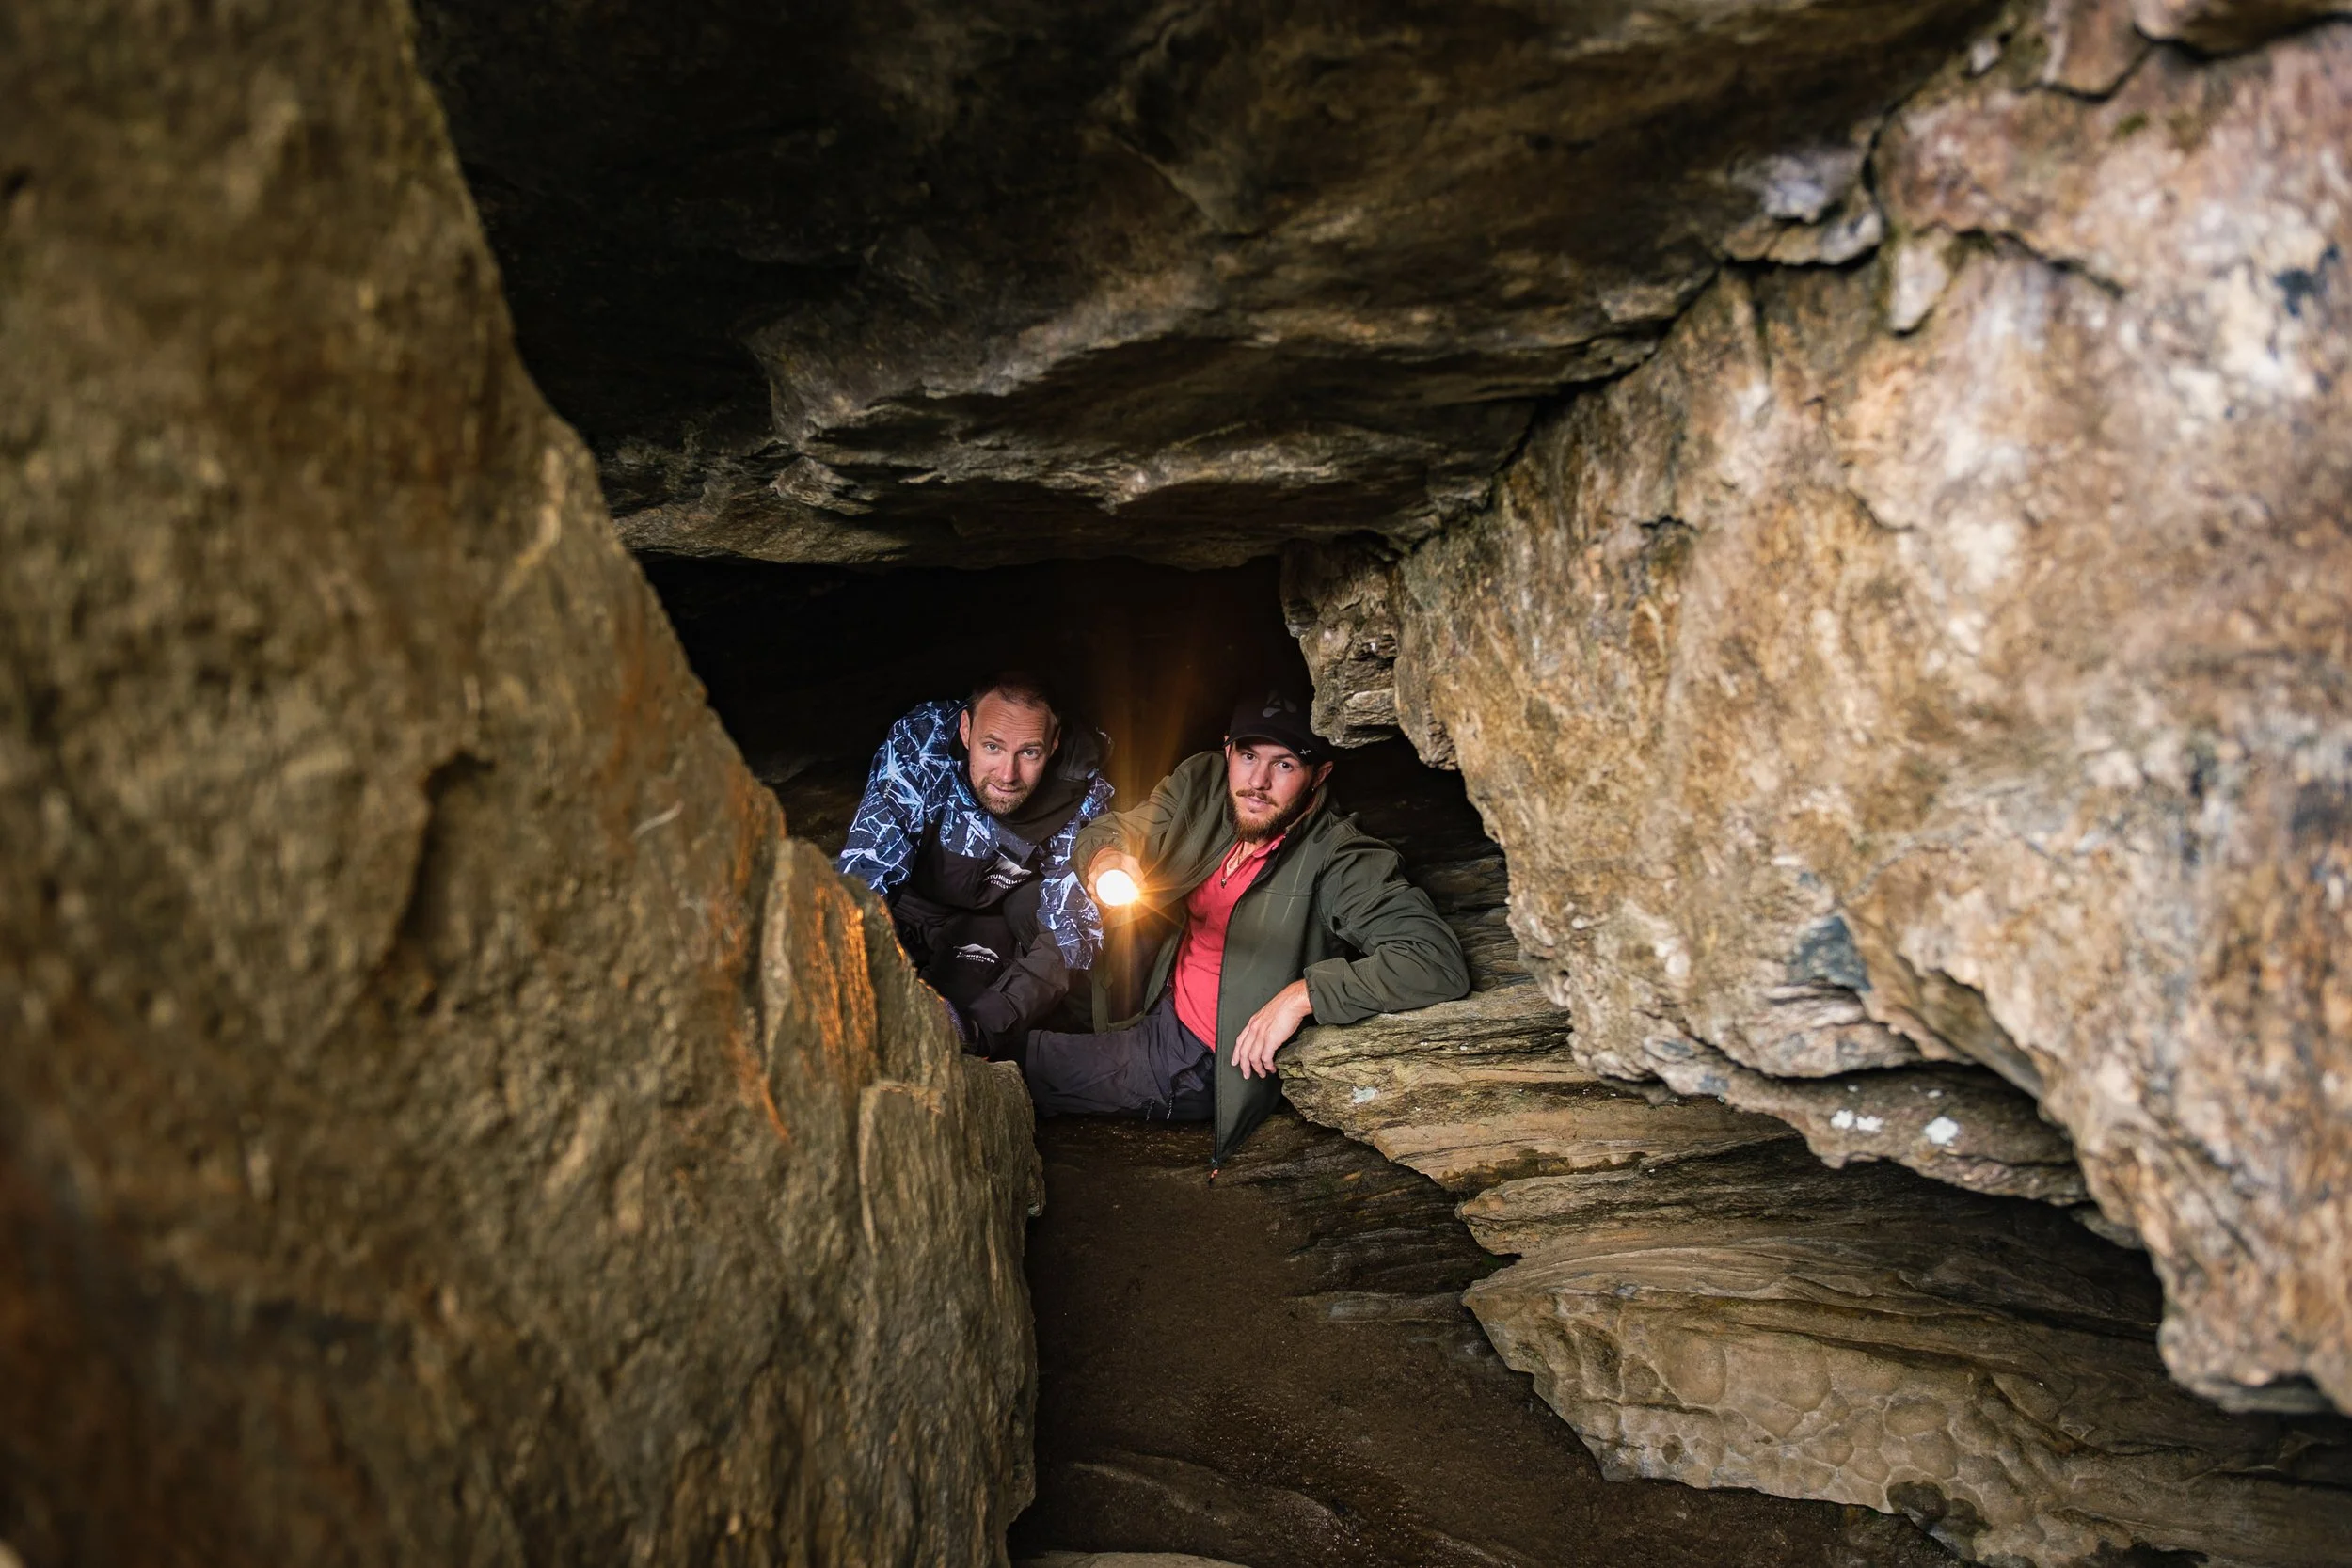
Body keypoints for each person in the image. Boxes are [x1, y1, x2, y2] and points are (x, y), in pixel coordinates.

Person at [1021, 684, 1470, 1171]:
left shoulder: (1339, 857)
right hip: (1157, 990)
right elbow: (1121, 828)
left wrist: (1302, 995)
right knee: (1024, 950)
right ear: (1228, 749)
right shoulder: (1206, 785)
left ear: (1319, 774)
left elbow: (1434, 959)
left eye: (1285, 764)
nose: (1257, 781)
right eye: (1249, 755)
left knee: (1028, 1063)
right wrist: (1110, 858)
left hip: (1201, 1055)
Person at [836, 673, 1113, 1053]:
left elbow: (1071, 929)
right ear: (966, 731)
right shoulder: (922, 740)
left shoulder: (1082, 785)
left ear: (1054, 743)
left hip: (989, 919)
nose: (1007, 775)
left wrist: (978, 1027)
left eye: (1029, 752)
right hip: (911, 902)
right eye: (993, 747)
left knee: (957, 1027)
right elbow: (867, 871)